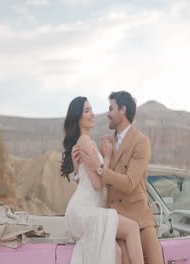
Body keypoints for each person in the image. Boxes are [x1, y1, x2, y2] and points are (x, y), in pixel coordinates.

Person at [77, 91, 163, 264]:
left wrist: (100, 168)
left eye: (111, 108)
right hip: (116, 222)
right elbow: (95, 181)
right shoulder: (107, 142)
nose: (107, 113)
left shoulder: (141, 142)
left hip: (141, 222)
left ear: (123, 110)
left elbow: (130, 183)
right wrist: (76, 167)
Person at [62, 96, 144, 264]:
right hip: (83, 211)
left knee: (115, 252)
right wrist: (107, 157)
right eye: (87, 111)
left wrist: (78, 170)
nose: (92, 114)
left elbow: (85, 180)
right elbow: (98, 184)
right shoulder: (85, 142)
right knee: (132, 228)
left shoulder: (86, 142)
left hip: (82, 210)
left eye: (91, 109)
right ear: (78, 118)